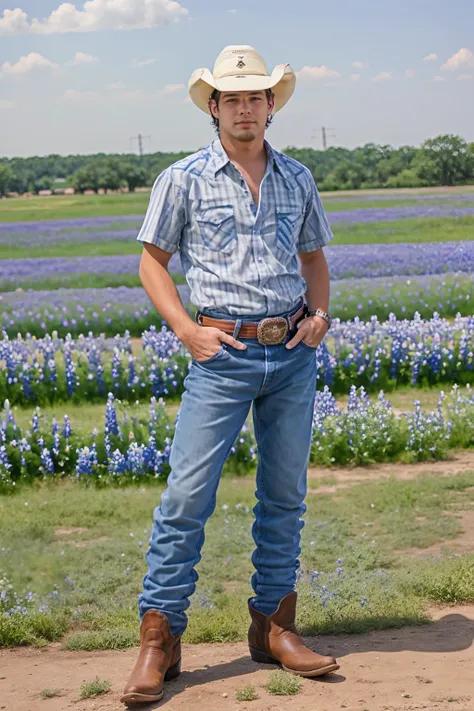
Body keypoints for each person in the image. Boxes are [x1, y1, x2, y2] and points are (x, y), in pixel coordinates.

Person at [121, 44, 339, 706]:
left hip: (291, 354)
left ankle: (274, 627)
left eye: (256, 97)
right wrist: (187, 330)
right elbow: (151, 262)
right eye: (233, 98)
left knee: (284, 495)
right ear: (212, 107)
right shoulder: (182, 178)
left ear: (271, 105)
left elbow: (315, 258)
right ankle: (160, 638)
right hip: (222, 354)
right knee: (186, 497)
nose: (245, 108)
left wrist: (321, 314)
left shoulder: (298, 177)